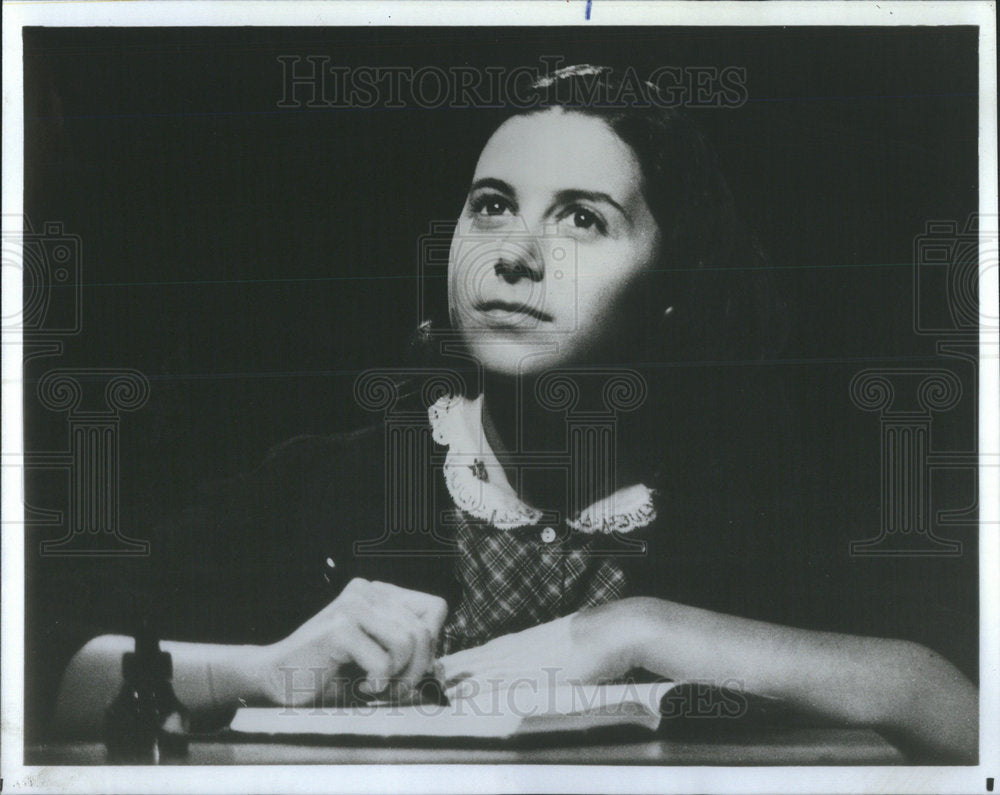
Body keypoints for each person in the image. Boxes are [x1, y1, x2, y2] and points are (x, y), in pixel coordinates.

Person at [42, 65, 976, 762]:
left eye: (583, 218)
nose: (515, 255)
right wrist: (264, 667)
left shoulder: (756, 496)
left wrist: (640, 627)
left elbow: (953, 708)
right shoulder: (332, 477)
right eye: (492, 205)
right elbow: (66, 681)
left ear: (672, 288)